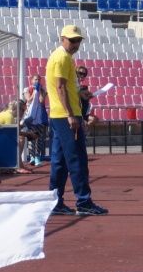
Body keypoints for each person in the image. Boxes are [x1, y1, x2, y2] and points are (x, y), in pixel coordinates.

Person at [46, 25, 108, 215]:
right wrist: (71, 114)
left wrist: (80, 94)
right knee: (77, 159)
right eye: (72, 40)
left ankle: (54, 201)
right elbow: (60, 87)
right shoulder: (62, 57)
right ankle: (83, 201)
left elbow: (65, 87)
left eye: (78, 40)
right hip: (66, 116)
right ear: (62, 39)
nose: (76, 44)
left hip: (58, 115)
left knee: (60, 160)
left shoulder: (62, 57)